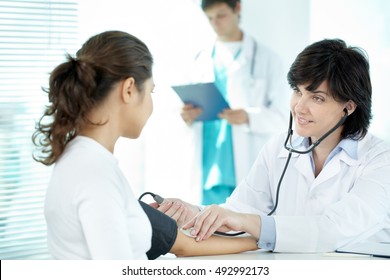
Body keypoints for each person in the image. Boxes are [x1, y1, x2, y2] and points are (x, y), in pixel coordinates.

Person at [32, 30, 258, 259]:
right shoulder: (94, 171)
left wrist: (133, 218)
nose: (151, 105)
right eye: (151, 91)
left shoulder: (83, 159)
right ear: (129, 89)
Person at [158, 38, 390, 253]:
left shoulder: (380, 159)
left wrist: (248, 222)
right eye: (297, 91)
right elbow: (239, 210)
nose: (300, 107)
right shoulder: (279, 147)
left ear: (348, 107)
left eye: (317, 98)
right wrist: (196, 213)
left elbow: (332, 230)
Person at [180, 0, 288, 204]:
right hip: (208, 169)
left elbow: (284, 117)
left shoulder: (267, 59)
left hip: (246, 167)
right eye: (210, 18)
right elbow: (180, 116)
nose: (215, 23)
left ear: (237, 8)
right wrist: (186, 116)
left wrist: (248, 117)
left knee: (243, 228)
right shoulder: (199, 60)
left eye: (221, 15)